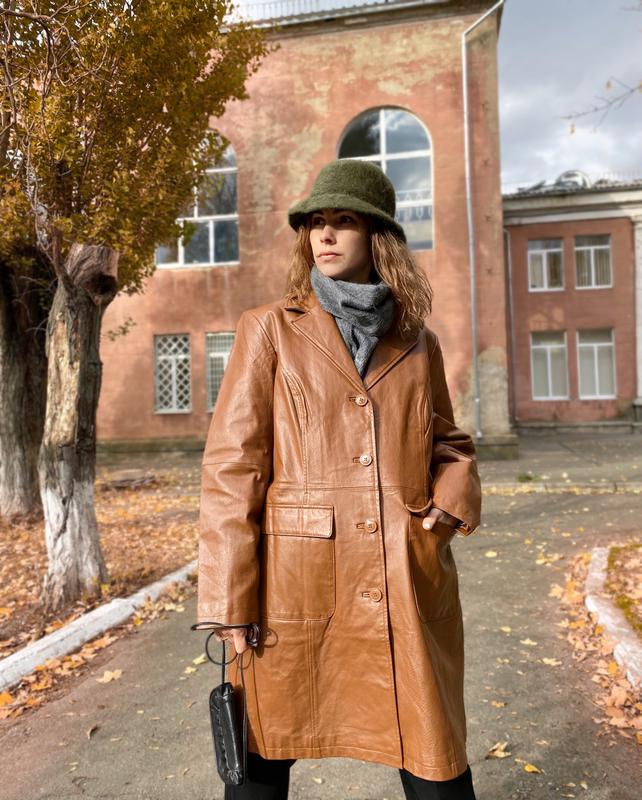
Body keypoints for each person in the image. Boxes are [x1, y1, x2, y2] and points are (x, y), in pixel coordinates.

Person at [194, 159, 482, 800]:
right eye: (316, 222)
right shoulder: (269, 329)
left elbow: (449, 443)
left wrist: (450, 499)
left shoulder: (417, 341)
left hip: (403, 571)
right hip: (293, 582)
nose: (324, 234)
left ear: (377, 236)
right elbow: (233, 468)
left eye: (344, 220)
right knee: (263, 756)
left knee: (434, 754)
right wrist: (228, 598)